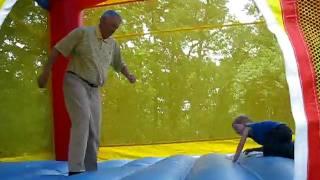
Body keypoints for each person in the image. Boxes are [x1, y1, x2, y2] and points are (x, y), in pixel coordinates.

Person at [37, 10, 136, 175]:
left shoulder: (112, 44)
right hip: (76, 81)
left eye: (116, 27)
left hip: (94, 89)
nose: (114, 30)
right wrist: (46, 73)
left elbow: (119, 63)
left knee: (94, 129)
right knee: (82, 119)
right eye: (112, 25)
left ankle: (90, 170)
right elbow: (58, 49)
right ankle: (75, 169)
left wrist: (129, 75)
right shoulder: (83, 33)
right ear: (102, 21)